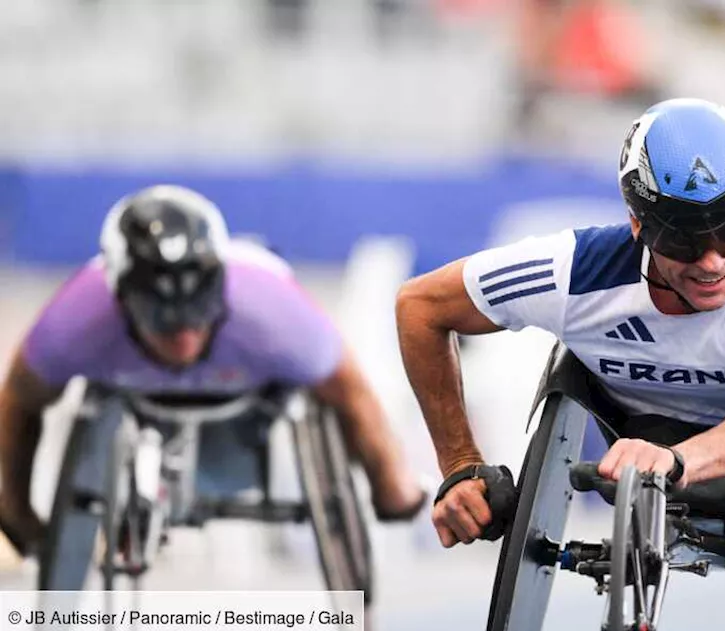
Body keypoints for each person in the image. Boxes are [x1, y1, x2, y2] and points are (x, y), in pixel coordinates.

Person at [396, 97, 725, 548]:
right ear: (638, 225)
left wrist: (678, 460)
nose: (710, 262)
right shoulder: (575, 271)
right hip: (633, 435)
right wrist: (459, 464)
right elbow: (419, 306)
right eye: (681, 241)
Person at [0, 185, 426, 556]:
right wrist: (15, 508)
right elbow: (17, 403)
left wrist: (389, 484)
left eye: (195, 315)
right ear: (121, 297)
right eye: (163, 319)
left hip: (246, 406)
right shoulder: (74, 320)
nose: (183, 335)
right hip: (134, 398)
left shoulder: (275, 313)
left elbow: (350, 391)